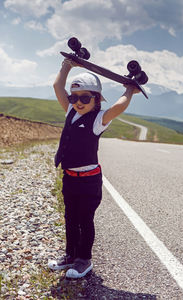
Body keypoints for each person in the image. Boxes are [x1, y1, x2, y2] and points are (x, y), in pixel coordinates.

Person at [48, 58, 140, 279]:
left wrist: (129, 89)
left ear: (96, 99)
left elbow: (118, 107)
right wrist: (66, 66)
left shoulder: (98, 119)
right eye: (74, 97)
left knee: (84, 219)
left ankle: (84, 260)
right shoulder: (71, 111)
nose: (78, 102)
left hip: (88, 181)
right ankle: (70, 255)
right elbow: (57, 87)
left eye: (85, 98)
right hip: (69, 178)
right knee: (70, 217)